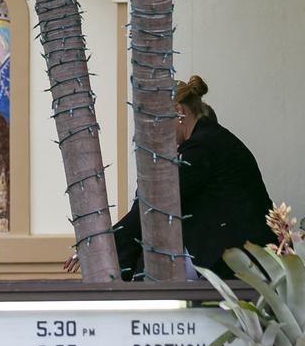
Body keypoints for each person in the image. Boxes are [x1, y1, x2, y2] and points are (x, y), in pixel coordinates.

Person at [66, 75, 276, 279]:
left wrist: (98, 245)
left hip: (239, 263)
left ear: (179, 111)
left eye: (159, 121)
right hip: (246, 256)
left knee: (149, 255)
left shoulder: (201, 148)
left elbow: (154, 207)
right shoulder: (213, 140)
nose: (157, 131)